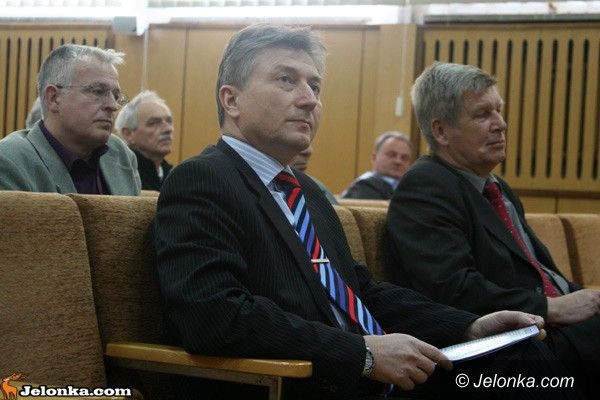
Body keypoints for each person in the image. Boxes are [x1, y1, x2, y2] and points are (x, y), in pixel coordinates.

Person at [155, 25, 580, 400]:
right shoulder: (204, 180)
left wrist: (469, 326)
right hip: (301, 382)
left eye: (315, 86)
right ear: (231, 100)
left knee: (518, 353)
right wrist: (360, 353)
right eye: (287, 80)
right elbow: (214, 315)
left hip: (366, 375)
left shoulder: (306, 193)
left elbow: (361, 292)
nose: (309, 100)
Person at [386, 61, 600, 397]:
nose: (501, 123)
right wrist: (553, 307)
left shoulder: (496, 187)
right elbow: (453, 288)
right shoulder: (426, 186)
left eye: (498, 110)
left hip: (547, 335)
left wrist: (584, 299)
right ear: (441, 131)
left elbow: (537, 272)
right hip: (502, 350)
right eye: (483, 114)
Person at [0, 44, 140, 195]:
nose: (113, 105)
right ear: (54, 98)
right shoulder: (9, 160)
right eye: (98, 92)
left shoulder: (121, 154)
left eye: (116, 96)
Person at [115, 90, 174, 191]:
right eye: (154, 123)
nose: (168, 129)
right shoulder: (119, 176)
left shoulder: (174, 177)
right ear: (128, 134)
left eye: (169, 121)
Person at [341, 131, 412, 200]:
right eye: (392, 155)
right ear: (374, 158)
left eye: (404, 158)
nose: (398, 161)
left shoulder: (410, 189)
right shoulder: (364, 187)